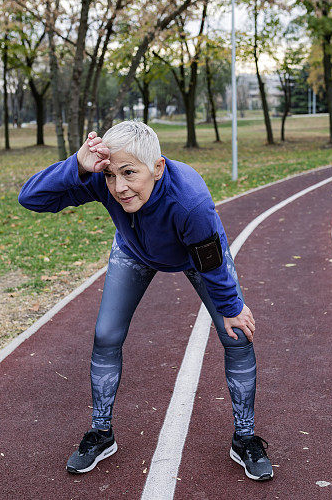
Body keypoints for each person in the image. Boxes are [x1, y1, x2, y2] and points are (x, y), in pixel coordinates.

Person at [17, 120, 273, 481]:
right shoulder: (103, 177)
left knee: (237, 333)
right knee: (105, 335)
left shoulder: (191, 201)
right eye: (110, 176)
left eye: (129, 174)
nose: (119, 188)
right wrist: (76, 164)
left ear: (157, 167)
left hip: (195, 256)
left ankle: (245, 438)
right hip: (133, 251)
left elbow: (212, 259)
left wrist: (231, 307)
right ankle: (101, 432)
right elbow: (32, 198)